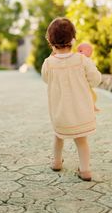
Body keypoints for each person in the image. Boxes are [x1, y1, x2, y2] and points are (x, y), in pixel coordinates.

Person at [41, 17, 102, 181]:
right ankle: (85, 170)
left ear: (50, 42)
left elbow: (46, 79)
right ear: (73, 39)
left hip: (60, 113)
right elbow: (96, 80)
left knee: (58, 135)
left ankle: (56, 162)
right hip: (80, 113)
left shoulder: (48, 63)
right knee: (81, 140)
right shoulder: (82, 60)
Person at [77, 42, 100, 112]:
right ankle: (91, 106)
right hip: (82, 83)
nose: (78, 53)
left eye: (80, 51)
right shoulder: (81, 59)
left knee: (91, 95)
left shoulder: (87, 60)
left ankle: (92, 106)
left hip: (85, 82)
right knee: (88, 95)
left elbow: (92, 72)